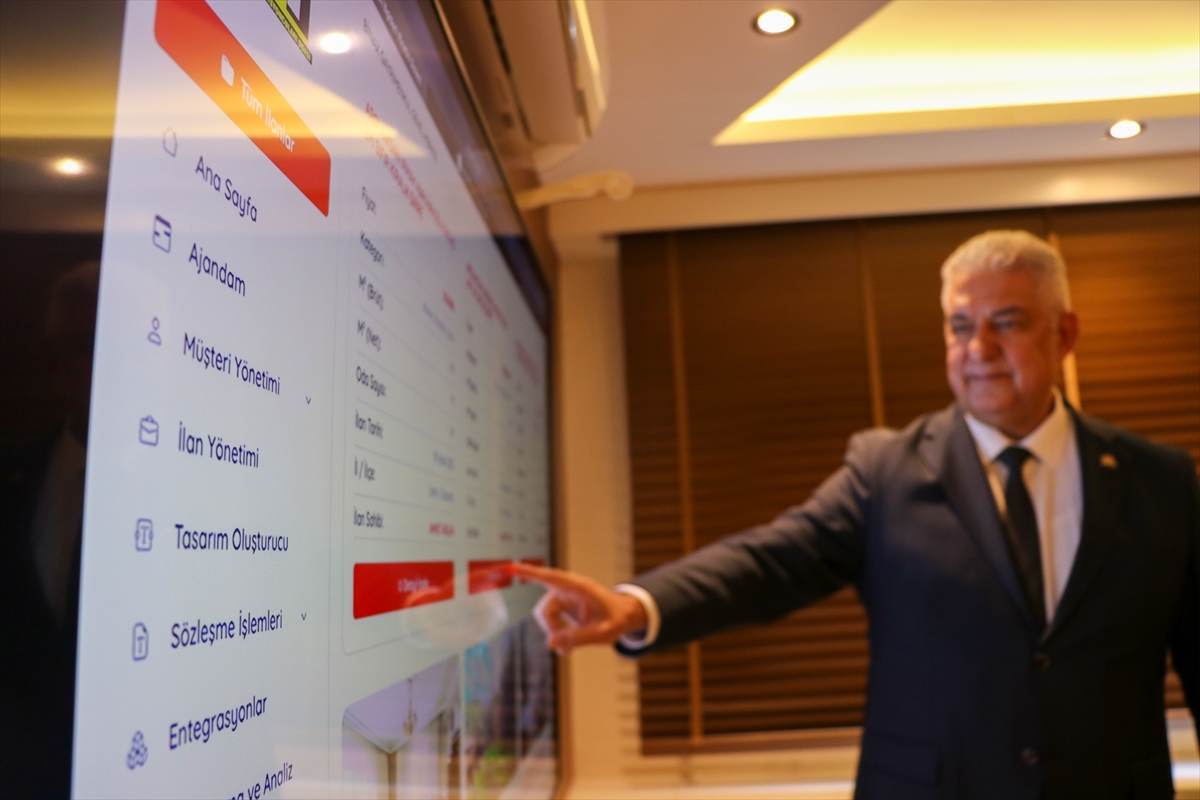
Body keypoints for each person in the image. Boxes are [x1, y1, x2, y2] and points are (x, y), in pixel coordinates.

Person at [513, 231, 1198, 799]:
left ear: (1065, 333)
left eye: (1007, 324)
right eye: (960, 327)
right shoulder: (887, 471)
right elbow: (771, 561)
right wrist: (636, 605)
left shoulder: (1161, 482)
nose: (979, 350)